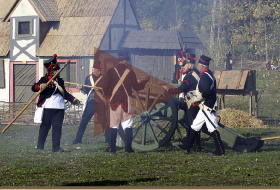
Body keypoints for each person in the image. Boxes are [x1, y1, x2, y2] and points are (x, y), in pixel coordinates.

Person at [103, 51, 150, 154]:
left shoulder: (111, 71)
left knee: (114, 125)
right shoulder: (130, 72)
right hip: (126, 101)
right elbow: (136, 87)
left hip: (114, 101)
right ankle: (128, 149)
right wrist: (143, 82)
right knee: (128, 125)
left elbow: (105, 86)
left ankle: (112, 149)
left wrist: (108, 96)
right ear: (124, 61)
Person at [31, 54, 80, 152]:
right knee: (45, 126)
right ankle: (40, 146)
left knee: (57, 127)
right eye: (56, 69)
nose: (58, 71)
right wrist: (41, 86)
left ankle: (56, 147)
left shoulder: (59, 81)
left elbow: (64, 93)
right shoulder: (44, 79)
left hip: (59, 107)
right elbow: (34, 87)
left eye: (58, 69)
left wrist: (73, 99)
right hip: (48, 106)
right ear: (51, 70)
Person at [183, 55, 225, 156]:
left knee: (212, 127)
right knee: (195, 126)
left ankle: (220, 150)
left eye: (198, 65)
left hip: (207, 106)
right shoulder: (207, 74)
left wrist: (194, 99)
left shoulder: (205, 76)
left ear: (202, 66)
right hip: (204, 106)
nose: (197, 66)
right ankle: (187, 148)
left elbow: (205, 92)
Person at [162, 53, 202, 152]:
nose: (182, 67)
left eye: (184, 65)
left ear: (189, 65)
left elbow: (182, 89)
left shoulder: (189, 76)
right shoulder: (195, 72)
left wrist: (169, 91)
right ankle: (192, 144)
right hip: (195, 101)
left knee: (193, 124)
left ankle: (196, 146)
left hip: (193, 103)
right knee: (191, 123)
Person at [70, 61, 109, 145]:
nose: (99, 72)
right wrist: (81, 88)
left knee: (104, 121)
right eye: (98, 70)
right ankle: (78, 139)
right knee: (84, 121)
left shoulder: (104, 78)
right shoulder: (88, 78)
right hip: (91, 102)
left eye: (100, 70)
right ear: (93, 70)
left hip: (101, 102)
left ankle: (108, 140)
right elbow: (86, 91)